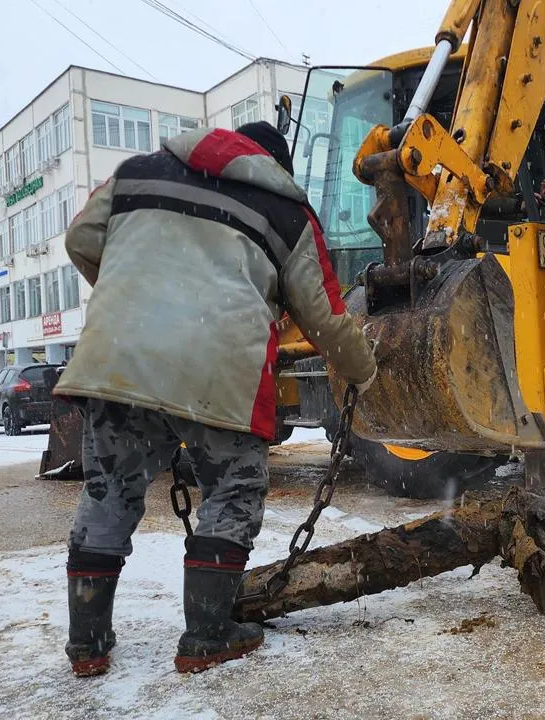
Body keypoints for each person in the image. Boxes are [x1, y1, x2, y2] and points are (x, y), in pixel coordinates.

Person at [54, 121, 378, 677]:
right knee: (232, 490)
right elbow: (324, 316)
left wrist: (138, 300)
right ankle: (207, 635)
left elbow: (80, 239)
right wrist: (363, 371)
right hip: (223, 366)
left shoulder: (137, 173)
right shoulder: (287, 211)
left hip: (120, 359)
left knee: (108, 492)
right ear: (276, 165)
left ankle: (87, 643)